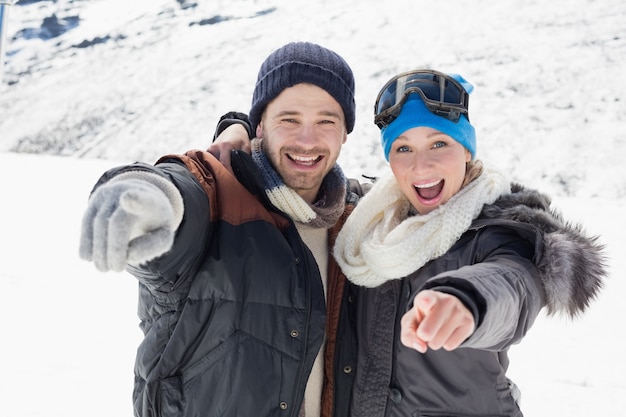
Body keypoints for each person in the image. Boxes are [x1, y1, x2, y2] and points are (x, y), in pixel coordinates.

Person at [79, 41, 366, 417]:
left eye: (326, 121)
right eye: (289, 119)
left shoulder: (355, 221)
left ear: (345, 132)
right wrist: (144, 197)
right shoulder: (219, 194)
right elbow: (182, 193)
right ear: (259, 125)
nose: (307, 140)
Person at [328, 69, 607, 416]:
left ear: (466, 151)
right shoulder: (370, 224)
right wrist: (241, 129)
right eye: (403, 148)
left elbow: (512, 283)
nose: (421, 165)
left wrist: (466, 300)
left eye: (439, 143)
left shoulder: (497, 229)